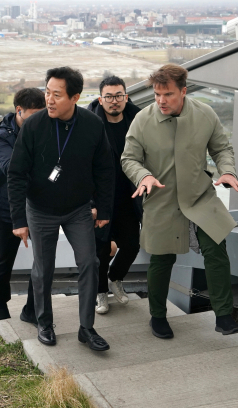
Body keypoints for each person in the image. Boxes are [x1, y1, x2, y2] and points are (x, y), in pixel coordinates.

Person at [121, 64, 238, 339]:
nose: (161, 100)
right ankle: (157, 317)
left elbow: (221, 148)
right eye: (157, 94)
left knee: (216, 249)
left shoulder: (205, 114)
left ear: (183, 91)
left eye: (167, 94)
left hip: (200, 196)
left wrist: (227, 171)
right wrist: (143, 176)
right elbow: (128, 158)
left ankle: (224, 315)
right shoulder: (143, 120)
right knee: (162, 258)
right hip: (162, 199)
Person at [8, 66, 115, 351]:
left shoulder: (92, 125)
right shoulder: (33, 126)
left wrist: (103, 210)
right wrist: (19, 219)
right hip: (40, 209)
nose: (49, 100)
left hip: (78, 208)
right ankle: (44, 322)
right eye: (47, 93)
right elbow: (16, 174)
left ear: (75, 97)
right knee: (44, 269)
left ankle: (86, 328)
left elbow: (105, 169)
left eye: (57, 95)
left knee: (89, 263)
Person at [87, 76, 142, 314]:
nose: (114, 101)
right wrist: (90, 203)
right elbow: (82, 167)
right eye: (108, 96)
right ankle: (100, 293)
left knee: (132, 245)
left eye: (119, 95)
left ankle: (115, 278)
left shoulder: (139, 121)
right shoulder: (89, 125)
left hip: (129, 197)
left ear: (126, 97)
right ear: (101, 99)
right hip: (101, 199)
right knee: (100, 249)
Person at [0, 87, 45, 323]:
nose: (38, 122)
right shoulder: (2, 137)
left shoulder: (46, 130)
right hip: (7, 210)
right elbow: (11, 169)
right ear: (18, 111)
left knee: (42, 260)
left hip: (38, 207)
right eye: (33, 116)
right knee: (5, 260)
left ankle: (31, 309)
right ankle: (0, 302)